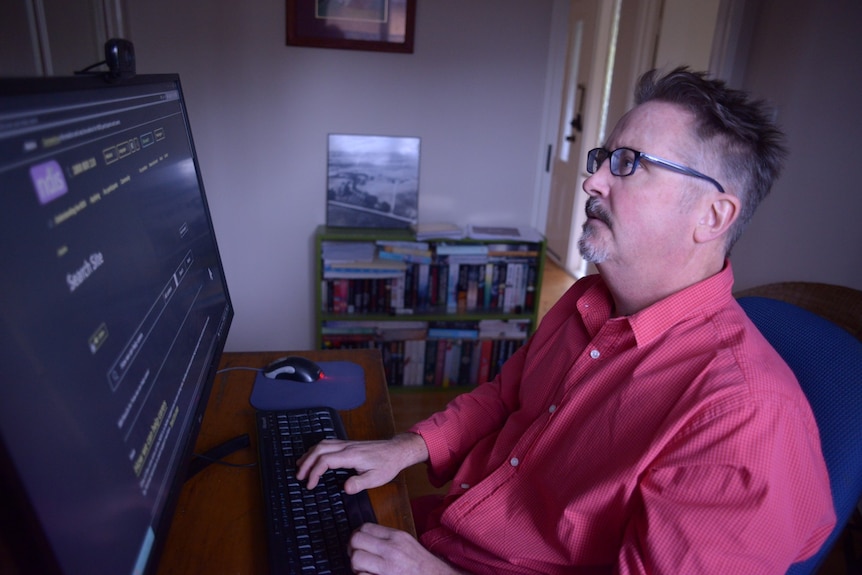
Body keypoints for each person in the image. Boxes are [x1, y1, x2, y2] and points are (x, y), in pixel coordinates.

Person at [297, 68, 836, 574]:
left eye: (628, 163)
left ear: (712, 215)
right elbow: (506, 397)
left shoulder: (746, 419)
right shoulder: (588, 300)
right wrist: (406, 447)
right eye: (603, 157)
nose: (592, 181)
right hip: (446, 529)